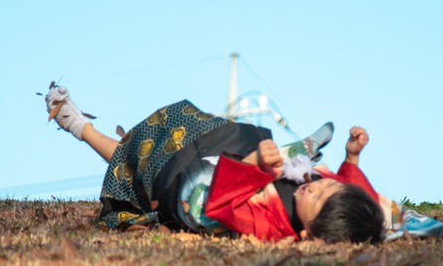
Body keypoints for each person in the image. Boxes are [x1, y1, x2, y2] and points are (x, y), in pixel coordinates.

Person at [44, 84, 387, 243]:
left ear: (310, 235)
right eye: (326, 184)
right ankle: (299, 150)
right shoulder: (338, 201)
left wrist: (253, 164)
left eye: (316, 197)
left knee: (135, 161)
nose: (314, 187)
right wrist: (352, 157)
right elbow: (363, 199)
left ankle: (82, 129)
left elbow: (221, 204)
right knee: (144, 147)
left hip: (195, 180)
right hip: (223, 142)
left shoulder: (270, 228)